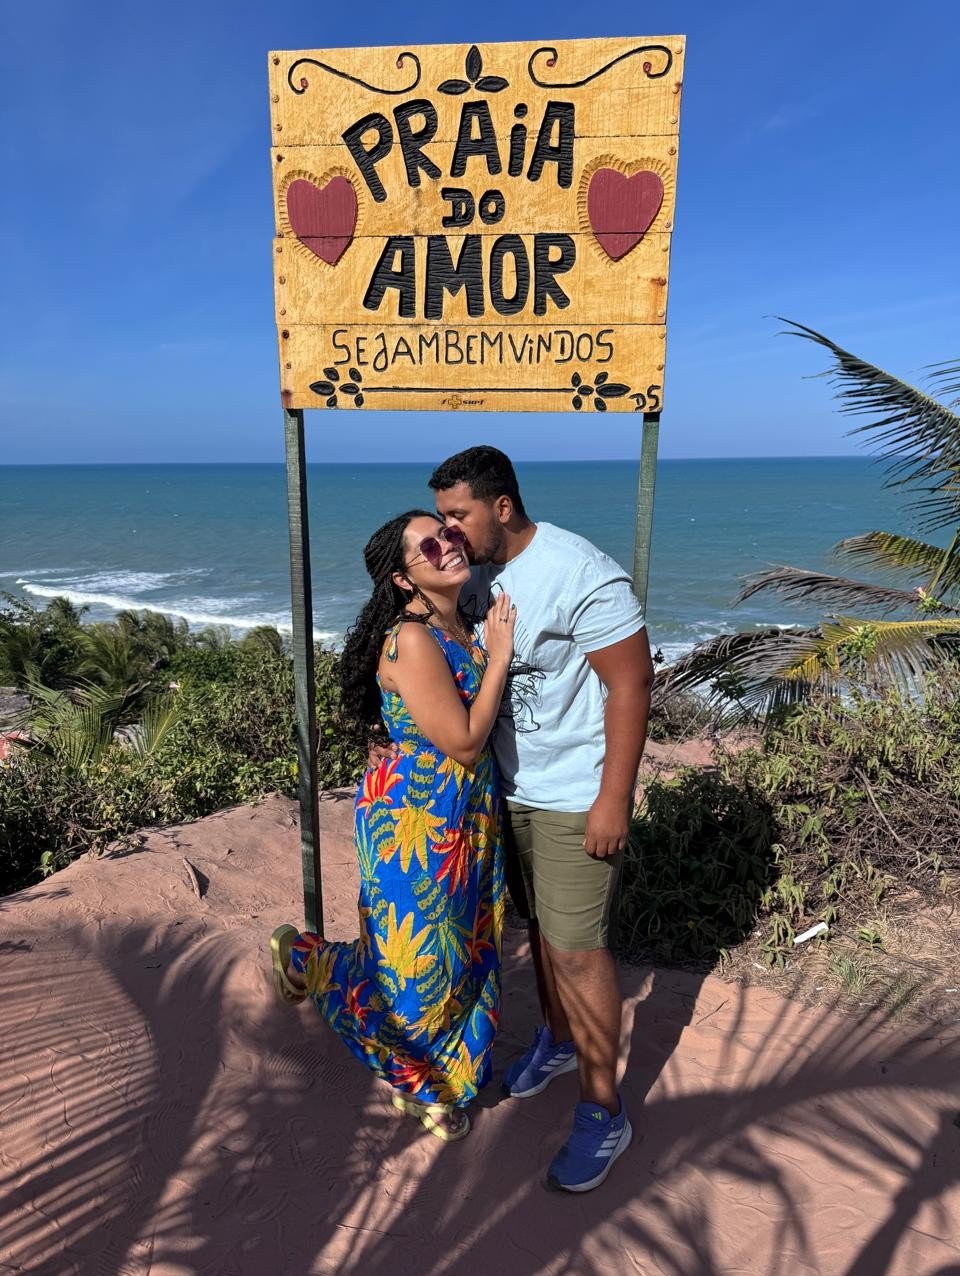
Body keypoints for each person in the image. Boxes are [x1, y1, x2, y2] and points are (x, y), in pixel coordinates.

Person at [428, 446, 654, 1191]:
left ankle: (603, 1111)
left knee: (578, 951)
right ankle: (558, 1040)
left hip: (572, 793)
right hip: (504, 791)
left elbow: (631, 683)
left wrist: (612, 798)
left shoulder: (578, 570)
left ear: (502, 506)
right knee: (540, 937)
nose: (448, 530)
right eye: (441, 517)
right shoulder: (474, 576)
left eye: (458, 515)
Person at [271, 509, 516, 1141]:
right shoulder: (412, 638)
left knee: (463, 954)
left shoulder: (458, 623)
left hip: (467, 816)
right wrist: (500, 659)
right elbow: (464, 742)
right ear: (403, 579)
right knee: (415, 970)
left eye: (450, 534)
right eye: (428, 547)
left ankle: (436, 1073)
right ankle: (412, 1074)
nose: (447, 547)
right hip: (416, 823)